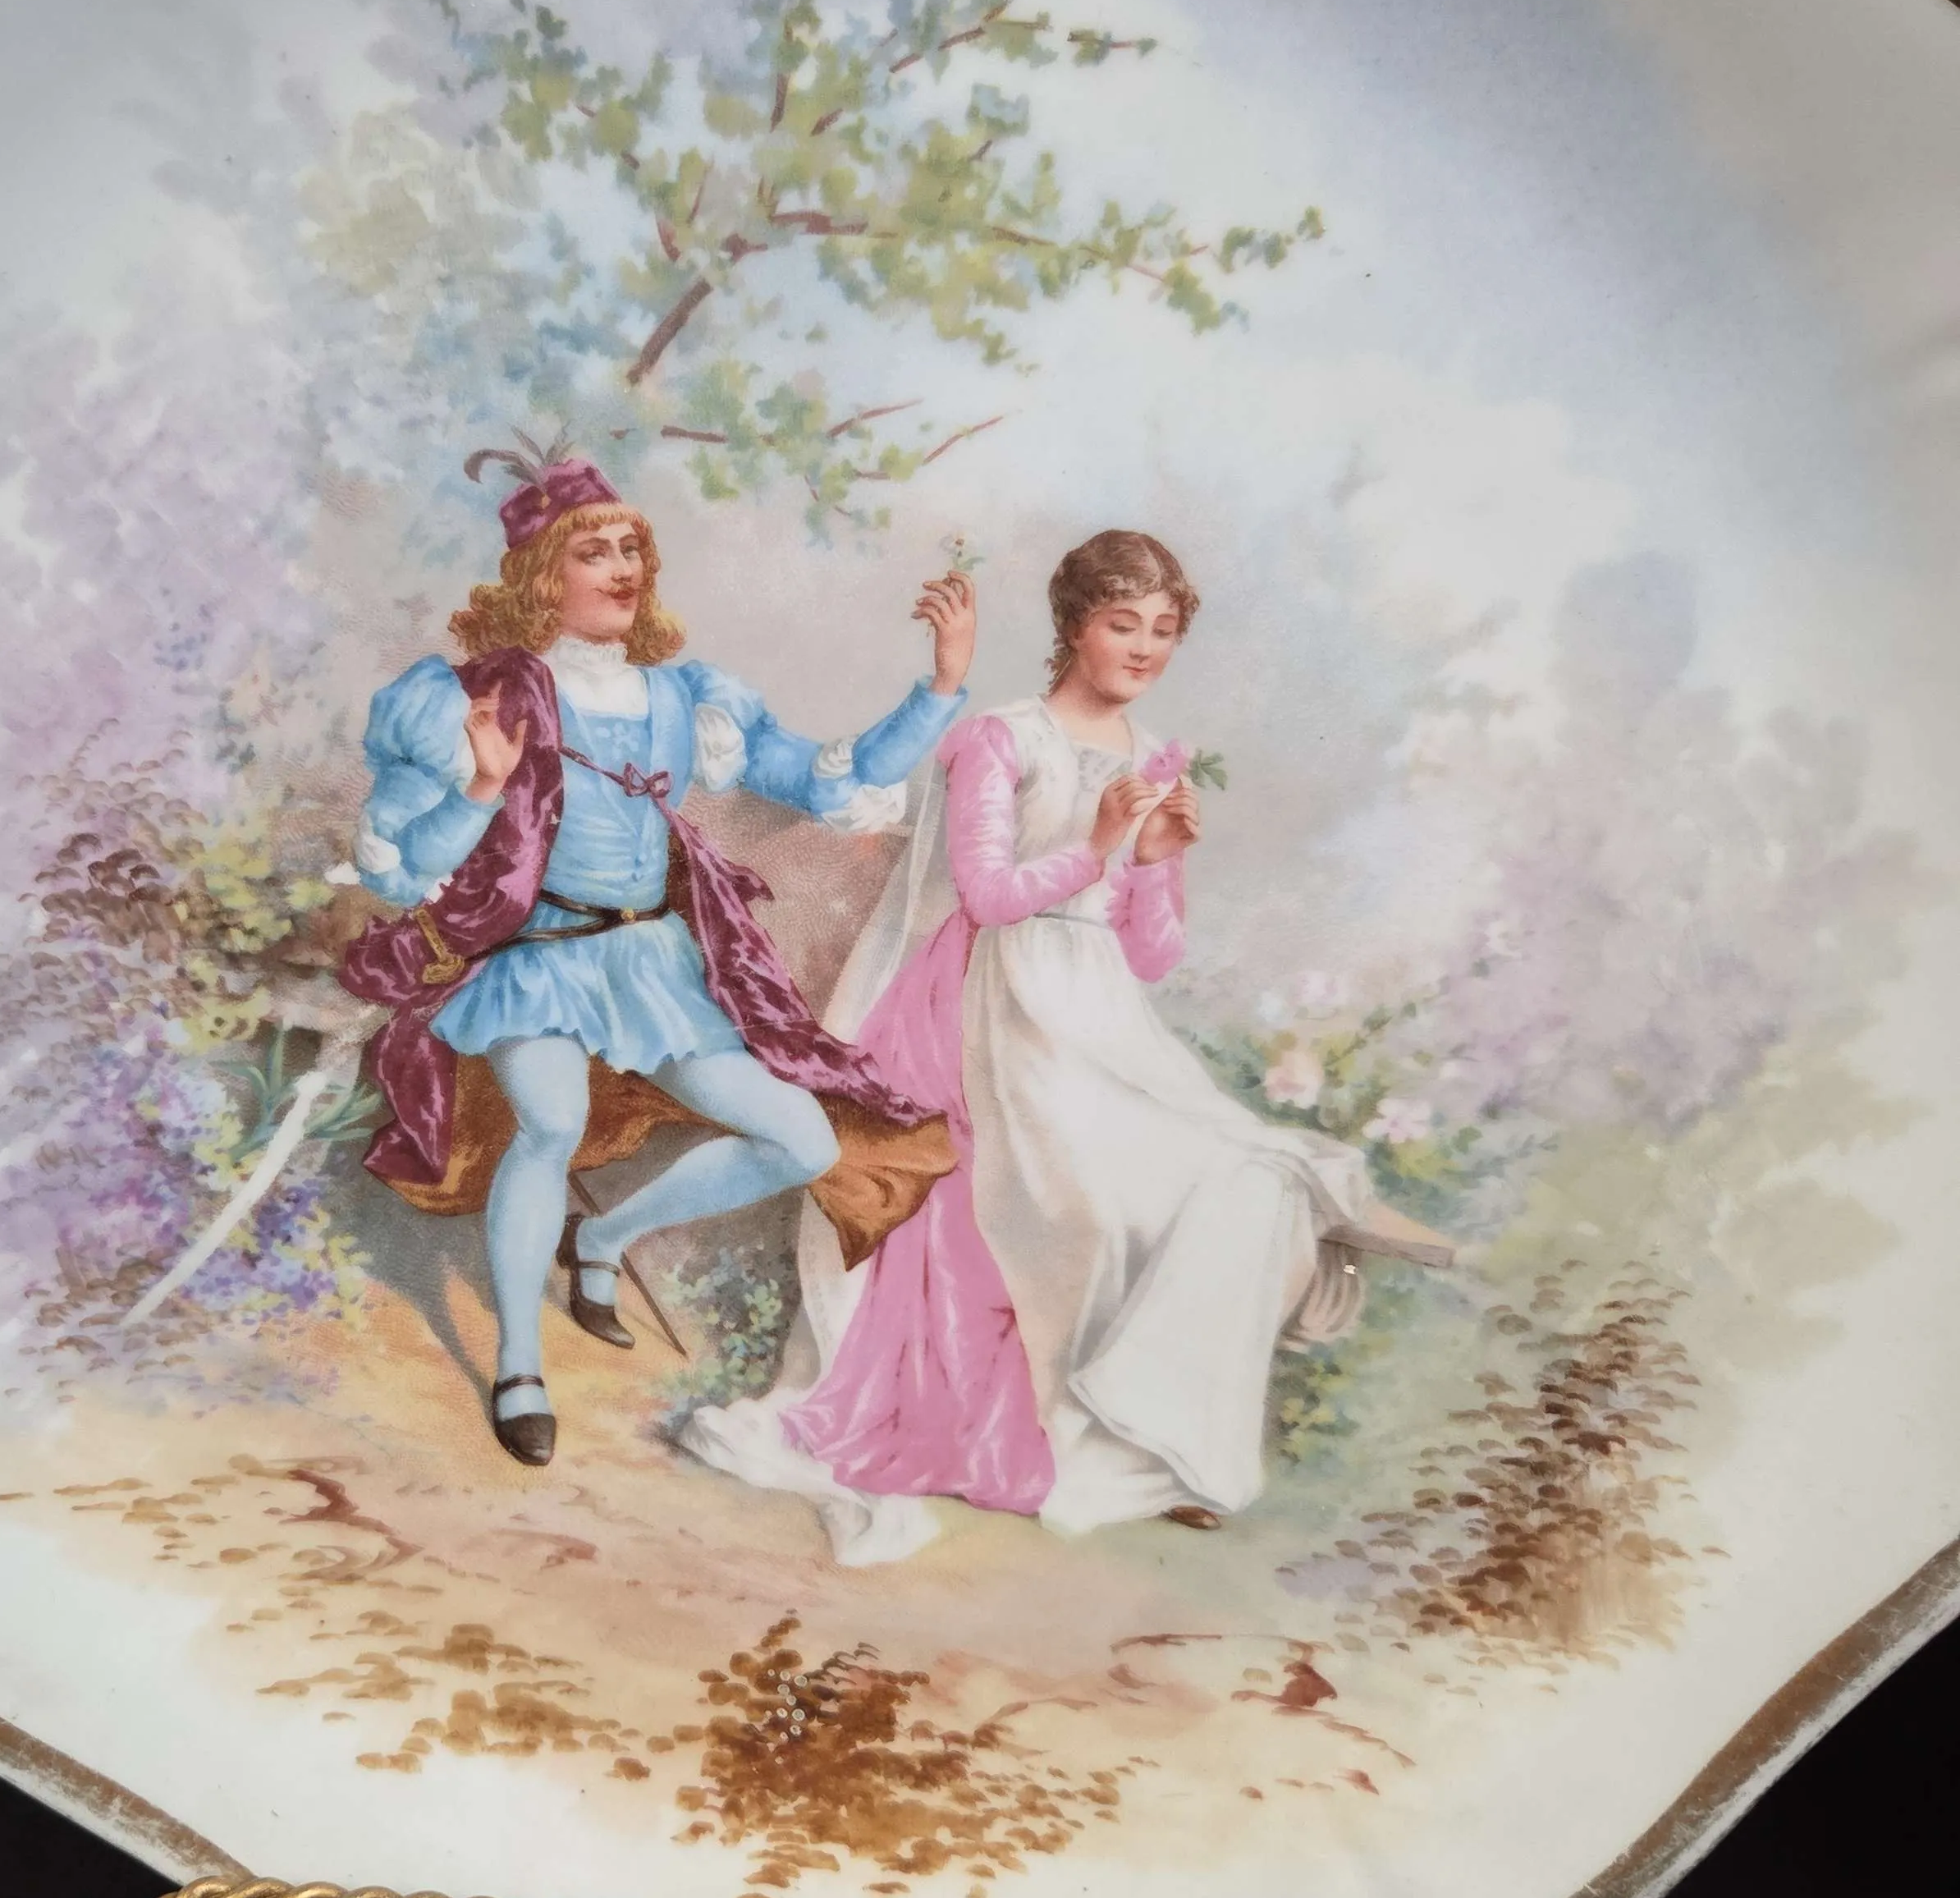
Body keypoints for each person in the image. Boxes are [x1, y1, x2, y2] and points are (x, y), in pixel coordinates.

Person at [681, 529, 1379, 1563]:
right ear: (1074, 626)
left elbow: (1150, 956)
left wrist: (1158, 860)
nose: (1143, 648)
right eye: (1122, 623)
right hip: (990, 1006)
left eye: (1163, 631)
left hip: (1098, 1015)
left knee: (1247, 1179)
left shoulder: (1154, 758)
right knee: (1080, 1208)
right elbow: (988, 896)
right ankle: (1060, 1428)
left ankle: (1156, 1437)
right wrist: (1096, 845)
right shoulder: (1003, 740)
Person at [337, 446, 973, 1465]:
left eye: (632, 548)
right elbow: (405, 868)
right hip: (540, 961)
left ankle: (602, 1238)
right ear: (543, 576)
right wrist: (482, 788)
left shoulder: (686, 698)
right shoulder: (482, 702)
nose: (624, 567)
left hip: (654, 966)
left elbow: (825, 780)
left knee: (802, 1143)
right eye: (594, 551)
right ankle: (518, 1364)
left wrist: (939, 689)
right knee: (551, 1121)